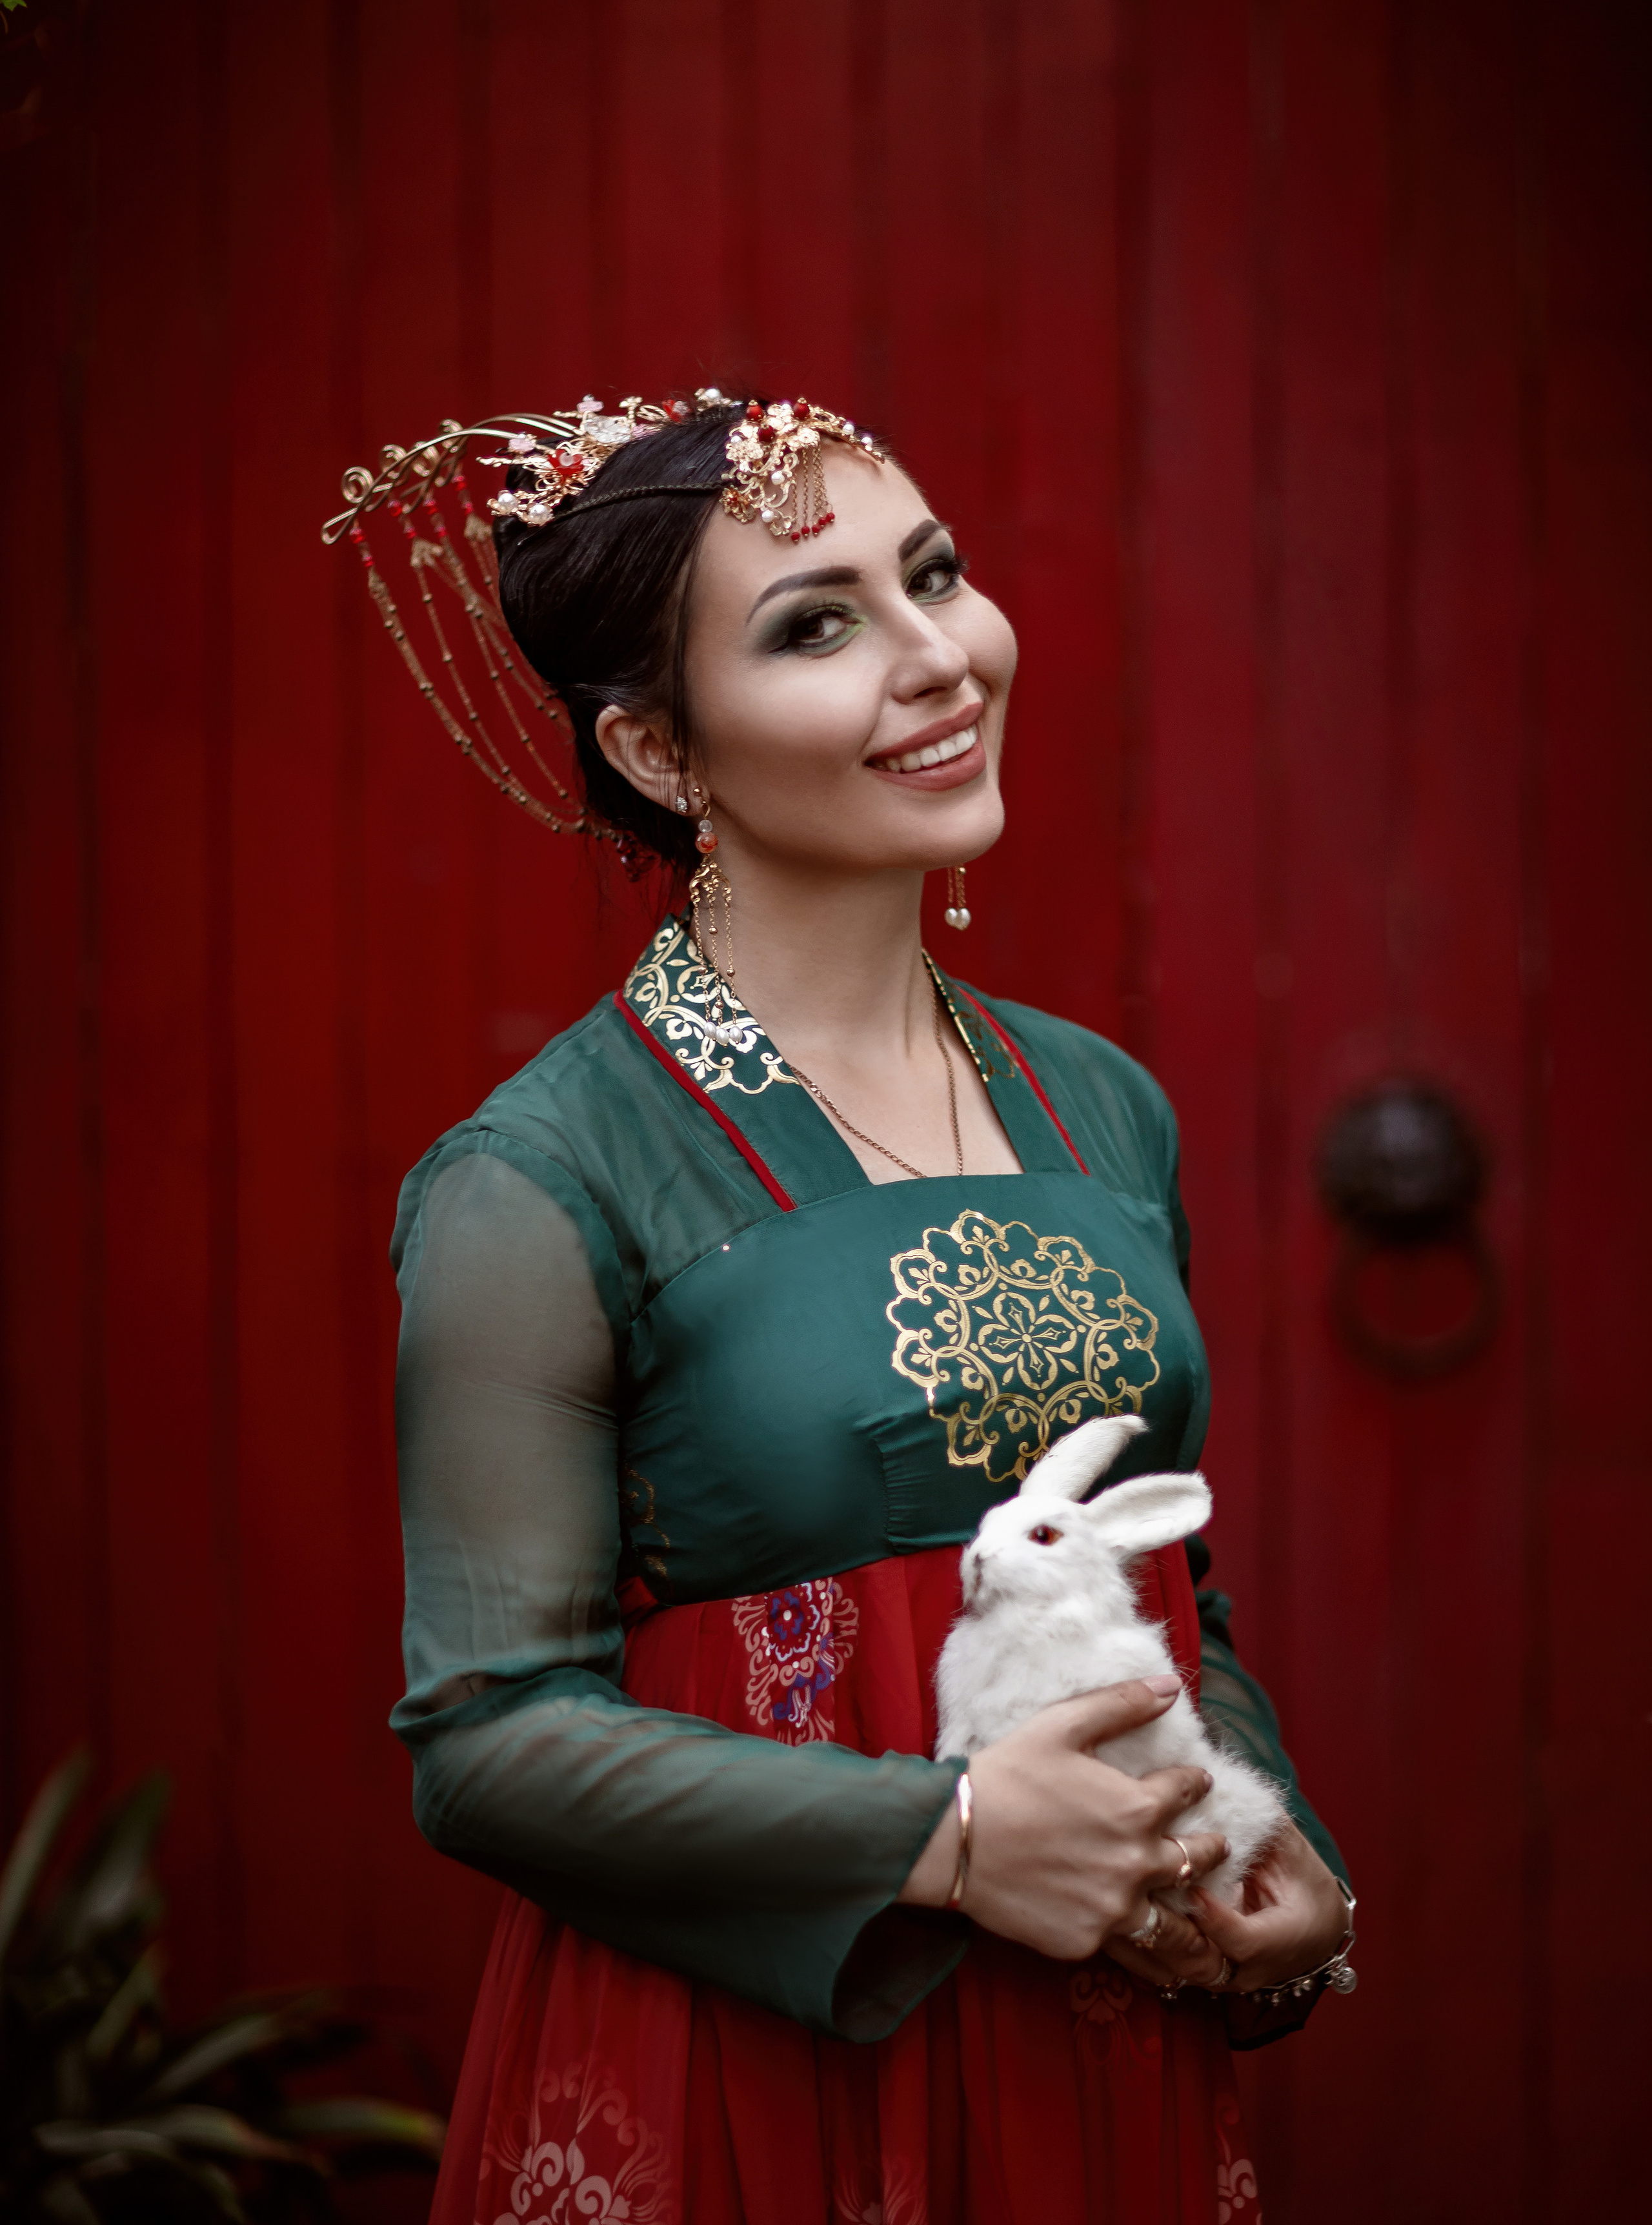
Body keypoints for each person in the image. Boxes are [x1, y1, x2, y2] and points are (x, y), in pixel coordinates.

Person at [385, 393, 1353, 2225]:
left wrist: (1265, 1825)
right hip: (755, 2064)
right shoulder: (543, 1177)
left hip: (1107, 2030)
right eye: (817, 626)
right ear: (659, 748)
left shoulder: (1098, 1106)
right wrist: (952, 1839)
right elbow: (488, 1740)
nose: (939, 657)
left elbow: (1168, 1590)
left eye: (936, 575)